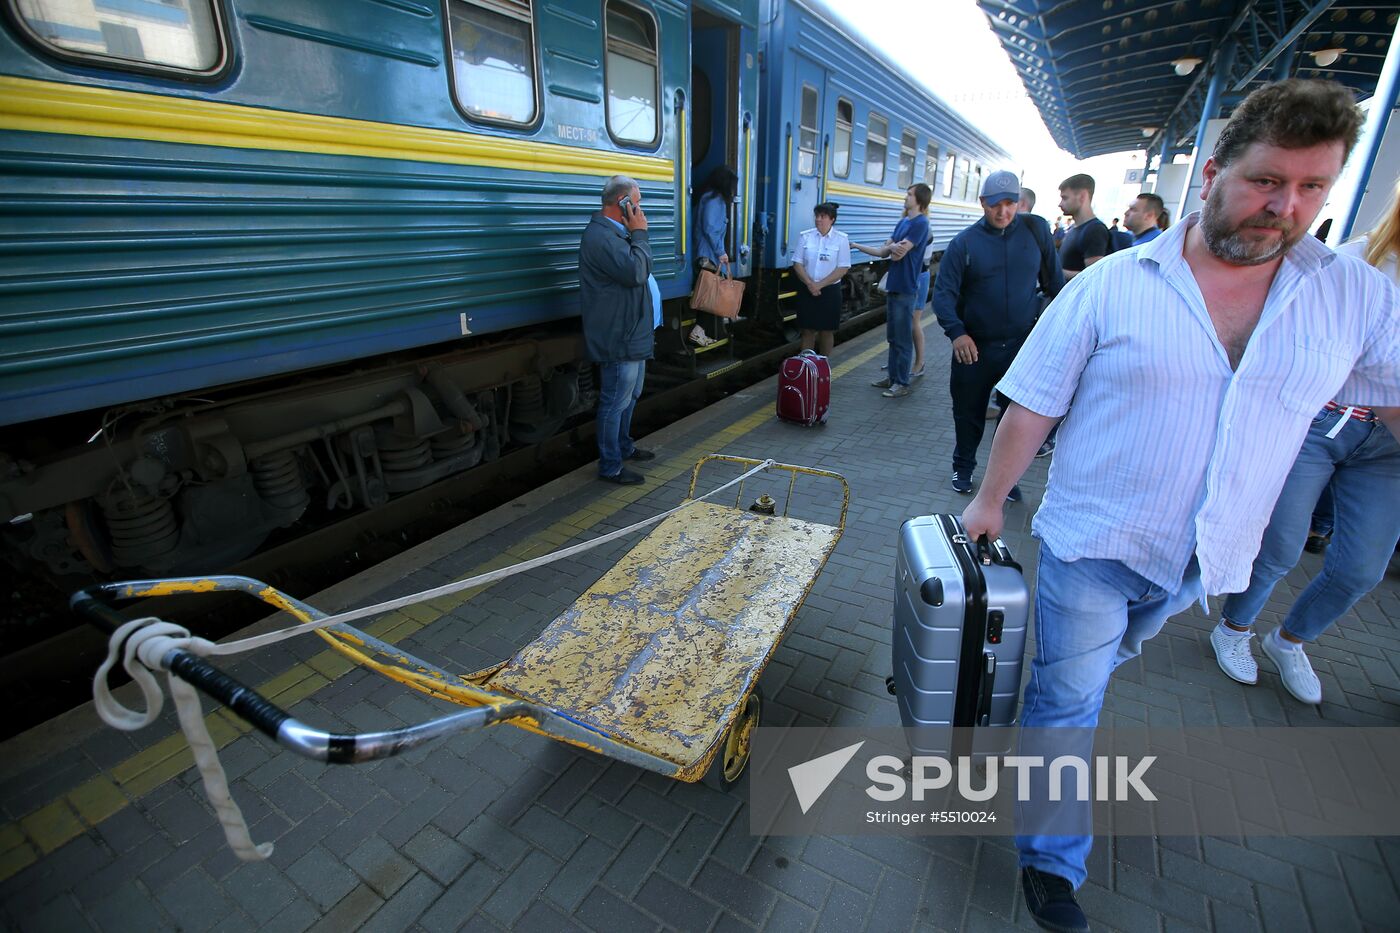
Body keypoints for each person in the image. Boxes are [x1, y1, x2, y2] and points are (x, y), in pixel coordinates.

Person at [958, 79, 1397, 933]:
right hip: (1093, 538)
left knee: (1111, 657)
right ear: (1212, 172)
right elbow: (1034, 405)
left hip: (1208, 557)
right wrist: (988, 502)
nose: (1287, 206)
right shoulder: (1111, 285)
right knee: (1070, 701)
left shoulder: (1351, 295)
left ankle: (1053, 690)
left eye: (1312, 188)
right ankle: (1050, 863)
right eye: (1268, 180)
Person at [1210, 176, 1400, 704]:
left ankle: (1290, 640)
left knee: (1361, 568)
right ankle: (1234, 628)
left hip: (1389, 451)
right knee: (1279, 548)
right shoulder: (1358, 260)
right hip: (1324, 422)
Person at [932, 170, 1063, 499]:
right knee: (968, 413)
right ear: (982, 204)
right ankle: (963, 466)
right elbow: (943, 295)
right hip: (973, 349)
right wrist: (957, 333)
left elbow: (1055, 286)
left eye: (1010, 203)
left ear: (1019, 202)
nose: (1003, 212)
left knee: (1014, 421)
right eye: (995, 205)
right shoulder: (965, 243)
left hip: (1020, 348)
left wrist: (1047, 332)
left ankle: (1005, 480)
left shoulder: (1036, 230)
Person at [579, 175, 660, 485]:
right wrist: (640, 235)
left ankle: (624, 446)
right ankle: (610, 465)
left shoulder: (615, 235)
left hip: (631, 333)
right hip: (618, 336)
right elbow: (636, 272)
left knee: (631, 395)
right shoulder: (601, 237)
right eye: (636, 205)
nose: (640, 213)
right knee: (615, 399)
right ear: (622, 204)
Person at [853, 184, 931, 398]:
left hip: (906, 286)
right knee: (892, 336)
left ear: (919, 199)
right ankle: (893, 378)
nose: (905, 197)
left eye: (909, 194)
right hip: (894, 285)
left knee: (903, 337)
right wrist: (856, 245)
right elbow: (883, 251)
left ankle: (902, 383)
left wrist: (894, 248)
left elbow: (896, 254)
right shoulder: (903, 221)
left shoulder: (921, 223)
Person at [790, 202, 851, 356]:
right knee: (807, 330)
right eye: (817, 216)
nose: (818, 219)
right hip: (807, 289)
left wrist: (820, 285)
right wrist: (810, 284)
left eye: (822, 216)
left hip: (829, 291)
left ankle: (823, 365)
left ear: (832, 219)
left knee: (826, 331)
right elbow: (797, 263)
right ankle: (806, 365)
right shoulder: (806, 236)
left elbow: (843, 268)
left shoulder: (841, 239)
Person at [691, 166, 738, 345]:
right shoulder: (714, 200)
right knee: (709, 294)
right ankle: (699, 330)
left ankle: (704, 330)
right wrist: (721, 253)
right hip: (707, 255)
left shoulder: (707, 197)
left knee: (708, 292)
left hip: (704, 253)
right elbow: (710, 228)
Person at [1056, 174, 1111, 279]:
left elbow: (1093, 276)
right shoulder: (1075, 229)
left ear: (1082, 196)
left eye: (1065, 198)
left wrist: (1055, 272)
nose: (1060, 204)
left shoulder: (1095, 230)